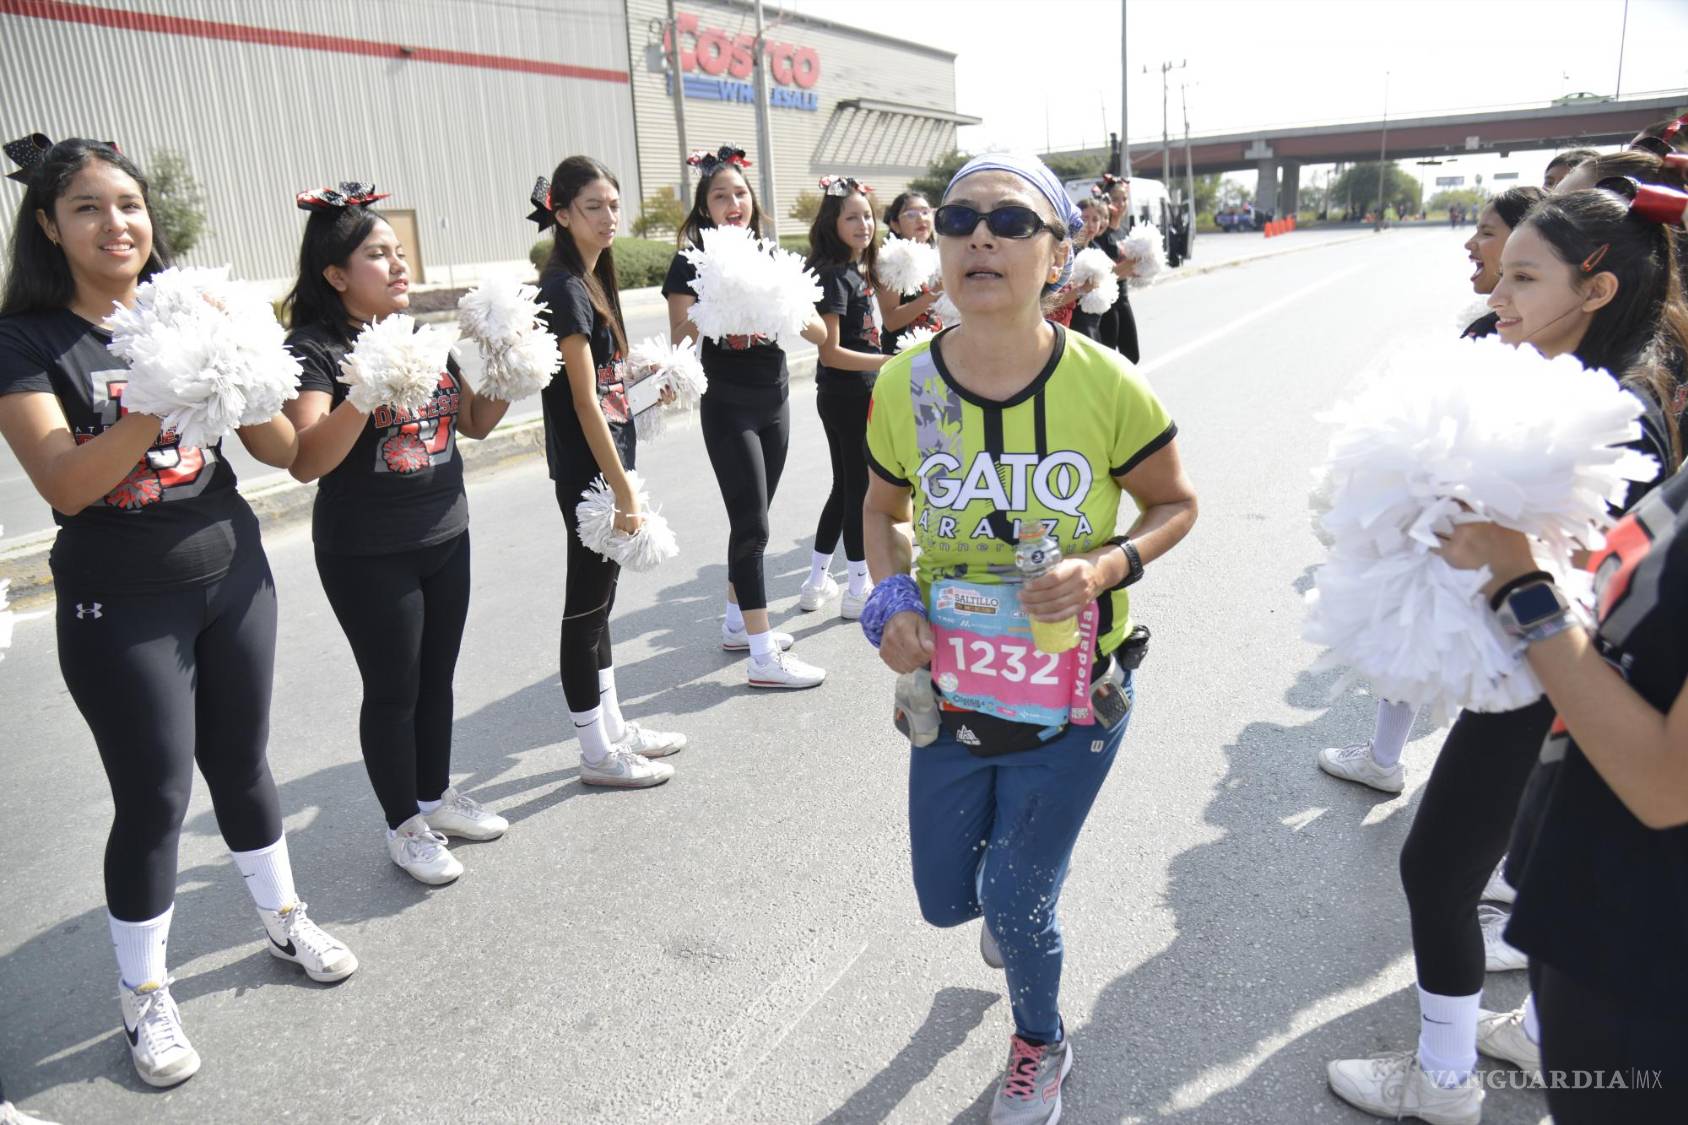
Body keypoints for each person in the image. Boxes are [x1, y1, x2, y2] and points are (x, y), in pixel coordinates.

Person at [0, 136, 356, 1089]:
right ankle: (144, 990)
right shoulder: (26, 340)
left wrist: (250, 360)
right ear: (49, 226)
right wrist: (155, 398)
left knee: (243, 763)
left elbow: (281, 449)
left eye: (129, 204)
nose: (116, 223)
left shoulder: (191, 307)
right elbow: (66, 482)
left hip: (232, 574)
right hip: (119, 599)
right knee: (155, 796)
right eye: (87, 207)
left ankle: (283, 917)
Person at [1326, 186, 1685, 1125]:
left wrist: (1498, 569)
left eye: (1525, 277)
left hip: (1561, 693)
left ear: (1596, 289)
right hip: (1562, 690)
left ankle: (1443, 1078)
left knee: (1437, 870)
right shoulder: (1563, 385)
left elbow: (1581, 587)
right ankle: (1518, 1030)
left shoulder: (1614, 417)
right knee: (1515, 872)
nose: (1498, 296)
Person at [862, 152, 1196, 1124]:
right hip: (953, 688)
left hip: (1074, 693)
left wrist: (1102, 569)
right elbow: (880, 509)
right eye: (958, 219)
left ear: (1056, 254)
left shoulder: (1107, 384)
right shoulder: (905, 385)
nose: (980, 236)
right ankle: (1014, 901)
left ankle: (1039, 1043)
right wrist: (890, 601)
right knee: (944, 897)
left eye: (1010, 223)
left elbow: (1174, 504)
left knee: (1015, 894)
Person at [282, 182, 511, 885]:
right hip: (367, 550)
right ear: (335, 274)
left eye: (398, 251)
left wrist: (509, 363)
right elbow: (306, 457)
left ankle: (434, 797)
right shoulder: (314, 348)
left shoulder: (419, 335)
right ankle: (403, 825)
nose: (399, 264)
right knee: (393, 688)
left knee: (437, 677)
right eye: (378, 254)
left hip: (446, 531)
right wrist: (366, 389)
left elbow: (473, 423)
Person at [534, 156, 686, 786]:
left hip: (610, 460)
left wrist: (649, 388)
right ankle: (595, 751)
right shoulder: (565, 287)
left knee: (602, 603)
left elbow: (606, 384)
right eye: (593, 207)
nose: (608, 217)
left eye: (614, 205)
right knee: (586, 606)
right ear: (562, 214)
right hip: (590, 471)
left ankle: (614, 728)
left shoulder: (596, 278)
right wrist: (622, 488)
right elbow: (580, 400)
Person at [662, 145, 825, 689]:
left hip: (774, 395)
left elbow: (818, 334)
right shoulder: (690, 261)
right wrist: (714, 298)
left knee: (753, 519)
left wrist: (782, 297)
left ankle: (737, 623)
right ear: (704, 207)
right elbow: (678, 338)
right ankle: (762, 655)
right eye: (720, 196)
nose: (733, 203)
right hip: (727, 401)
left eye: (740, 193)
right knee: (753, 526)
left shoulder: (770, 255)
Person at [801, 175, 888, 621]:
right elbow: (830, 352)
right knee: (858, 491)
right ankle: (857, 587)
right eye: (851, 217)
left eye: (867, 216)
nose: (863, 225)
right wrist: (888, 361)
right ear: (832, 223)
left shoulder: (856, 270)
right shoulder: (835, 275)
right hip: (849, 395)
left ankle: (816, 581)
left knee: (844, 487)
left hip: (851, 394)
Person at [876, 190, 947, 356]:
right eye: (911, 214)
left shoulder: (939, 255)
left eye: (925, 212)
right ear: (895, 224)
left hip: (938, 351)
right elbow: (891, 321)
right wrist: (935, 292)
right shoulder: (890, 259)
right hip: (903, 355)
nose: (921, 218)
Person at [1090, 174, 1141, 363]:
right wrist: (1127, 266)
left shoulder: (1125, 231)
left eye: (1124, 199)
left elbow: (1128, 268)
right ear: (1107, 201)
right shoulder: (1101, 234)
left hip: (1123, 298)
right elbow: (1103, 274)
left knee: (1132, 355)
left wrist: (1141, 269)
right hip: (1106, 302)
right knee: (1108, 357)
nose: (1121, 204)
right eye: (1116, 199)